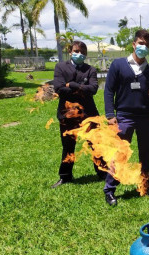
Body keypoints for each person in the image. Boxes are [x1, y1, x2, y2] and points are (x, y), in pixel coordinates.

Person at [103, 29, 149, 206]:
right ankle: (110, 189)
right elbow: (108, 91)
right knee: (120, 154)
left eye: (146, 44)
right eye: (140, 43)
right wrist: (110, 115)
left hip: (145, 117)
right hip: (124, 116)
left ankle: (146, 186)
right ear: (134, 44)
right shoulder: (118, 65)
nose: (143, 47)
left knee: (146, 154)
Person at [52, 40, 104, 188]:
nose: (79, 54)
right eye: (76, 51)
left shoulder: (91, 70)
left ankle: (102, 172)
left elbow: (93, 90)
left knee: (96, 145)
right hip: (68, 115)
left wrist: (72, 85)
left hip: (88, 114)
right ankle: (65, 176)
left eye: (82, 52)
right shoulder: (60, 67)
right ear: (70, 52)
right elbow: (59, 89)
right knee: (68, 147)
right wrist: (82, 88)